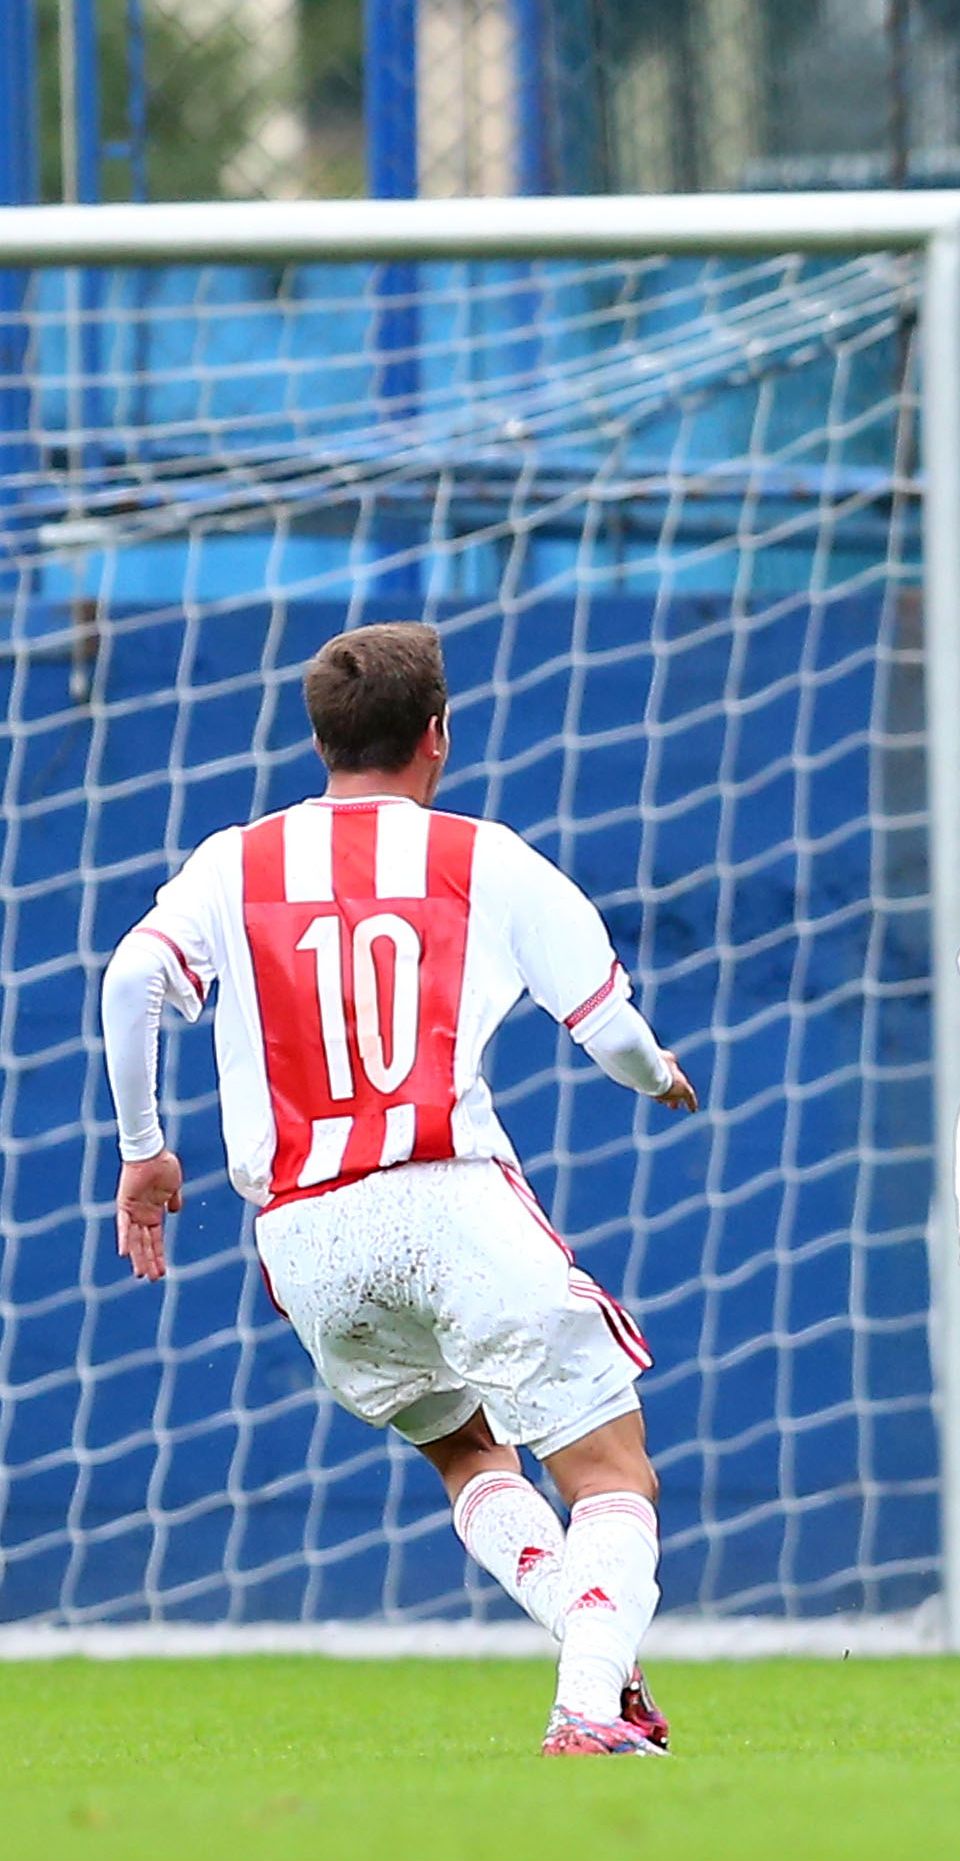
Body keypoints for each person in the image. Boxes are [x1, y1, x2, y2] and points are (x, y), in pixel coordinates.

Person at [101, 622, 696, 1756]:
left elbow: (134, 975)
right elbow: (610, 1031)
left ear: (322, 738)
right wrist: (661, 1077)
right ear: (438, 735)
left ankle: (594, 1656)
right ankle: (586, 1699)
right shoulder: (485, 854)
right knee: (614, 1469)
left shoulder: (236, 860)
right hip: (443, 1194)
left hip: (307, 1236)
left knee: (471, 1453)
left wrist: (145, 1148)